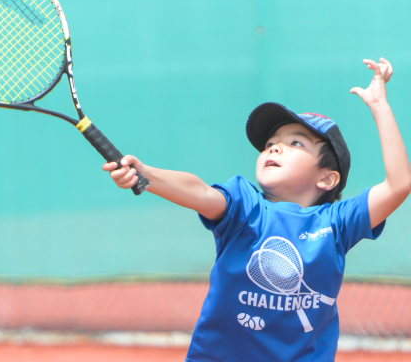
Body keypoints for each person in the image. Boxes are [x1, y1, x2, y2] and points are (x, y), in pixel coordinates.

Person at [102, 58, 411, 362]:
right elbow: (200, 192)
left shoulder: (338, 223)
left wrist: (380, 107)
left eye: (296, 143)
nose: (274, 147)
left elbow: (399, 184)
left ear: (327, 178)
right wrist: (147, 176)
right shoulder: (244, 206)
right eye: (270, 143)